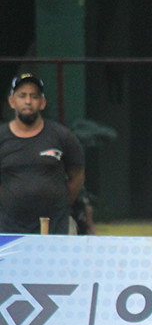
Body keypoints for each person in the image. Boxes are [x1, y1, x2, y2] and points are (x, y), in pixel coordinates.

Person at [0, 73, 87, 235]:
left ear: (42, 103)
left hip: (57, 227)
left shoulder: (63, 136)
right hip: (9, 230)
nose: (28, 101)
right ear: (12, 101)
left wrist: (59, 205)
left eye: (34, 96)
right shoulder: (2, 137)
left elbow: (77, 176)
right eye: (22, 96)